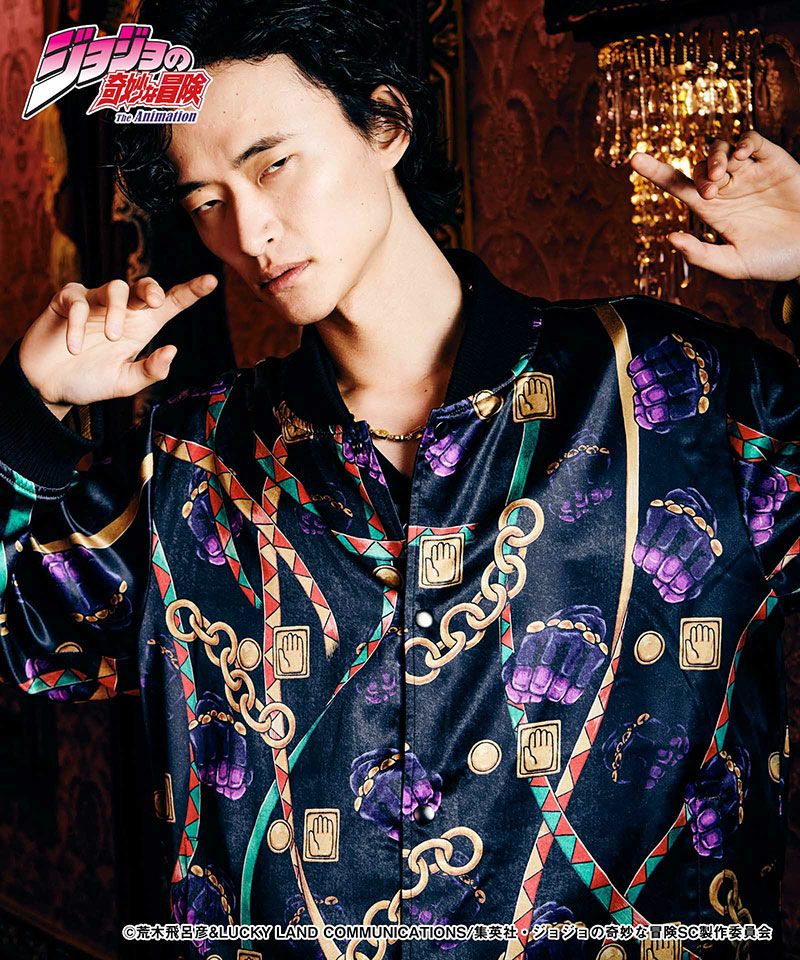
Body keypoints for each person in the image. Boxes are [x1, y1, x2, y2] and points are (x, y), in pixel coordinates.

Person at [1, 1, 799, 958]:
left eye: (273, 163)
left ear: (385, 124)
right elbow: (30, 636)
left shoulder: (675, 392)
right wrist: (27, 408)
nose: (250, 229)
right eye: (207, 199)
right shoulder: (192, 460)